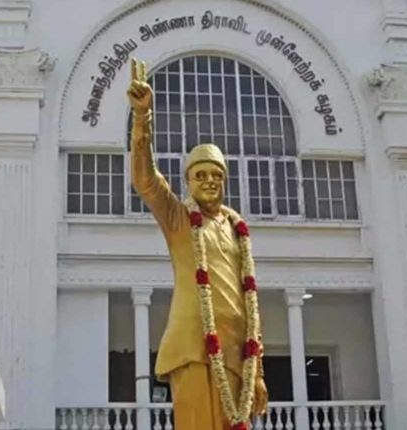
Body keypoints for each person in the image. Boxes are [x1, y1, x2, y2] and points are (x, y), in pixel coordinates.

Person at [127, 60, 268, 430]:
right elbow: (146, 180)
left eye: (216, 175)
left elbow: (250, 307)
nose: (208, 181)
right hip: (193, 347)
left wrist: (257, 372)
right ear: (188, 182)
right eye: (199, 175)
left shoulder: (237, 229)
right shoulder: (179, 219)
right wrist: (142, 118)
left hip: (237, 357)